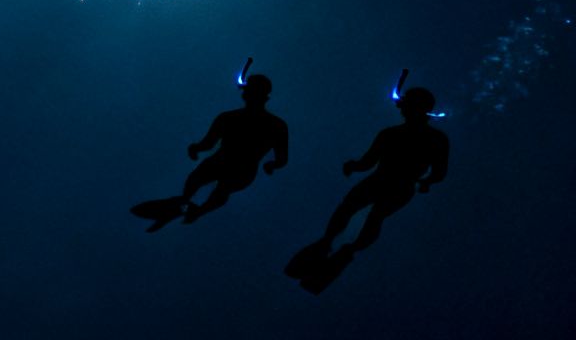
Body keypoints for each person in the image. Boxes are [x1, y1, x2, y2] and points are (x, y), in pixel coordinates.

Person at [284, 84, 449, 293]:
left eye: (405, 104)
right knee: (369, 215)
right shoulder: (433, 139)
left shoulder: (394, 134)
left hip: (382, 182)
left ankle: (330, 245)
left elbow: (368, 163)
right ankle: (340, 249)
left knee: (358, 211)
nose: (400, 108)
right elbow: (438, 173)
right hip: (398, 186)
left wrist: (354, 166)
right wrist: (426, 182)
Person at [131, 72, 288, 231]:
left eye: (248, 89)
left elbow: (208, 144)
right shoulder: (275, 125)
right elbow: (281, 159)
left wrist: (196, 148)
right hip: (237, 168)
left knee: (216, 186)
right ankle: (191, 207)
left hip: (231, 166)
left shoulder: (231, 118)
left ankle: (189, 207)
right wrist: (272, 165)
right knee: (214, 186)